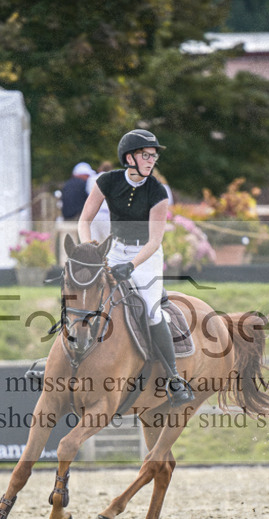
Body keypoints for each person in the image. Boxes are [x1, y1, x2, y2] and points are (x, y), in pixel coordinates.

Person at [77, 129, 195, 405]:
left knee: (152, 311)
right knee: (84, 295)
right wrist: (89, 250)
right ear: (129, 157)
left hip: (146, 256)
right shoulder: (106, 181)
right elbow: (84, 221)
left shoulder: (158, 191)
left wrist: (131, 265)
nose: (152, 160)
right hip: (115, 248)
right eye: (146, 155)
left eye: (153, 156)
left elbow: (155, 240)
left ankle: (174, 378)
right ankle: (58, 363)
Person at [86, 161, 114, 243]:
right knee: (109, 244)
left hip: (94, 215)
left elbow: (88, 193)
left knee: (94, 243)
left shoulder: (91, 179)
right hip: (106, 214)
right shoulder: (112, 179)